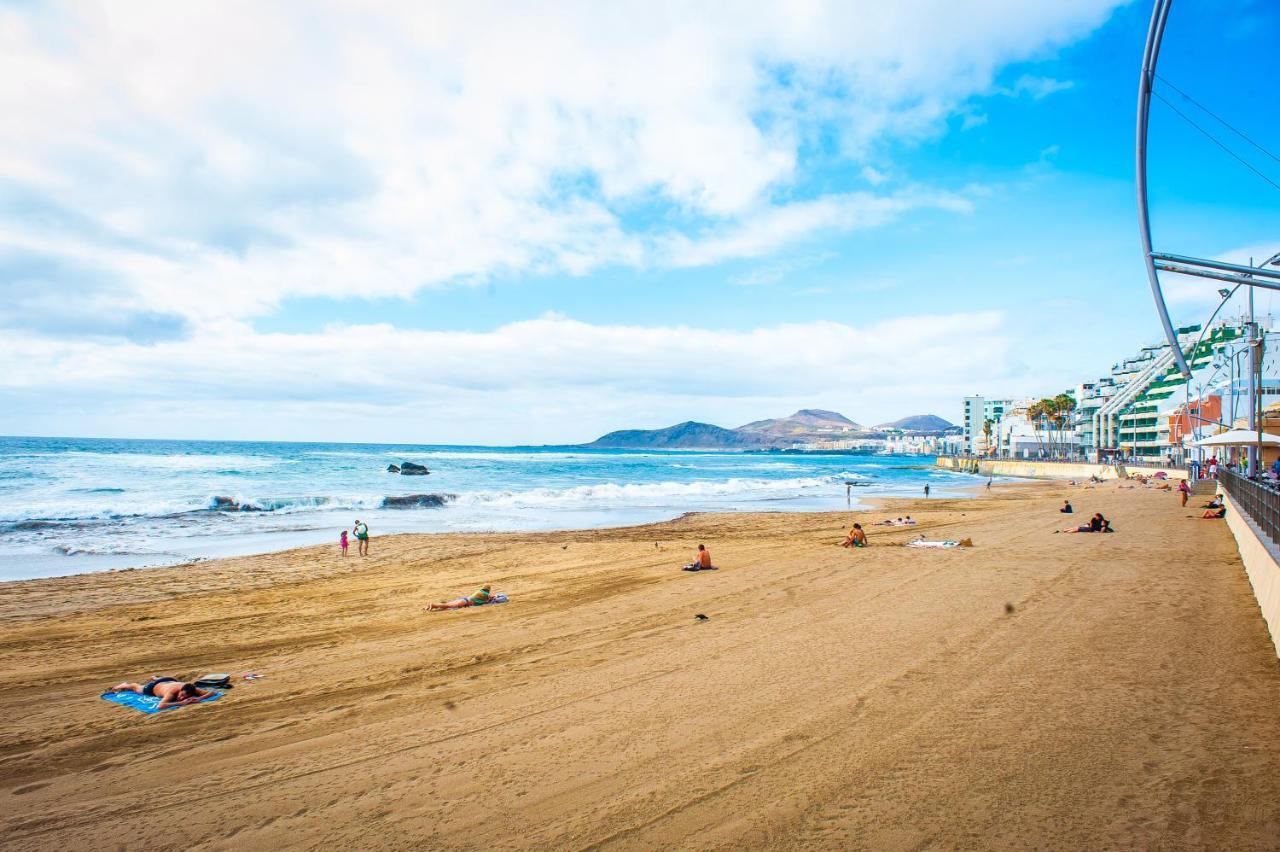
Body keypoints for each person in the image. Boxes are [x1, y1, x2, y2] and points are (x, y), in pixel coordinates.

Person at [109, 677, 213, 709]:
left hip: (169, 680)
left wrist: (199, 698)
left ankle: (155, 677)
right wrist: (181, 703)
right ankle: (122, 685)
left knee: (166, 682)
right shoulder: (171, 693)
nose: (182, 698)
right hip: (152, 688)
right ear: (180, 690)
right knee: (135, 687)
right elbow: (160, 706)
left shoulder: (193, 689)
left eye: (185, 697)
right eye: (181, 695)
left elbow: (212, 692)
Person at [427, 585, 493, 610]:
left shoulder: (480, 592)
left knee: (448, 605)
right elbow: (491, 597)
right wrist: (495, 596)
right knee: (448, 605)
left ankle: (431, 606)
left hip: (464, 600)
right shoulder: (484, 593)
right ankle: (433, 605)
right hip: (464, 602)